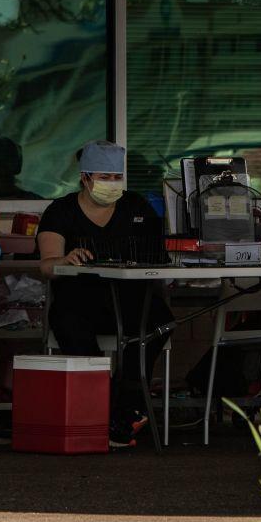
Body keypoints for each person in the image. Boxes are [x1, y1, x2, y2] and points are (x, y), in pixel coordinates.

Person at [38, 141, 171, 446]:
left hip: (129, 302)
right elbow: (46, 265)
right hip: (78, 303)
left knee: (160, 322)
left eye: (117, 177)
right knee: (74, 331)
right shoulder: (60, 212)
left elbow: (157, 253)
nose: (112, 184)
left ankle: (126, 403)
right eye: (104, 177)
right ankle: (101, 412)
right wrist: (64, 259)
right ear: (85, 178)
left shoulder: (135, 206)